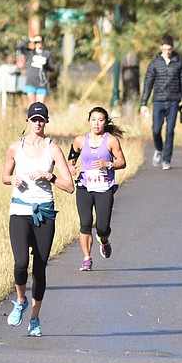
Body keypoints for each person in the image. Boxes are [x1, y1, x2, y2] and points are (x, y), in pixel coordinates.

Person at [2, 101, 75, 337]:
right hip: (20, 211)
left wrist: (49, 176)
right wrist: (11, 179)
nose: (37, 123)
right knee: (21, 262)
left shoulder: (53, 149)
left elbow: (69, 186)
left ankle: (34, 317)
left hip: (44, 211)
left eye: (41, 119)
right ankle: (21, 300)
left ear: (46, 122)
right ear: (28, 120)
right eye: (34, 119)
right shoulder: (15, 147)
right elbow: (4, 175)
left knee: (40, 268)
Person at [68, 107, 126, 271]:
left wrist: (108, 164)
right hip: (84, 186)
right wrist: (71, 167)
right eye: (93, 119)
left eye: (100, 120)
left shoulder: (111, 141)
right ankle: (87, 258)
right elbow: (71, 159)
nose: (96, 123)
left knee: (102, 227)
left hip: (104, 187)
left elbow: (122, 162)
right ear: (89, 121)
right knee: (85, 223)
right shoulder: (80, 140)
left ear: (105, 122)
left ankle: (104, 241)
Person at [138, 35, 182, 170]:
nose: (167, 51)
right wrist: (143, 103)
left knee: (169, 131)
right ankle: (158, 149)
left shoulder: (179, 62)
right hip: (158, 101)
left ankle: (167, 160)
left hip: (173, 101)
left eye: (169, 49)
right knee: (156, 130)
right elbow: (148, 84)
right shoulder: (154, 63)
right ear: (161, 47)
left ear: (172, 48)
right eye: (165, 49)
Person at [21, 35, 53, 103]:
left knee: (40, 107)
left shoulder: (47, 54)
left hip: (41, 84)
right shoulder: (30, 53)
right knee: (32, 106)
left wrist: (45, 65)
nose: (38, 43)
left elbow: (51, 68)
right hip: (31, 83)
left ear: (42, 42)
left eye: (39, 42)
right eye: (36, 42)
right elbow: (19, 46)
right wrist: (30, 39)